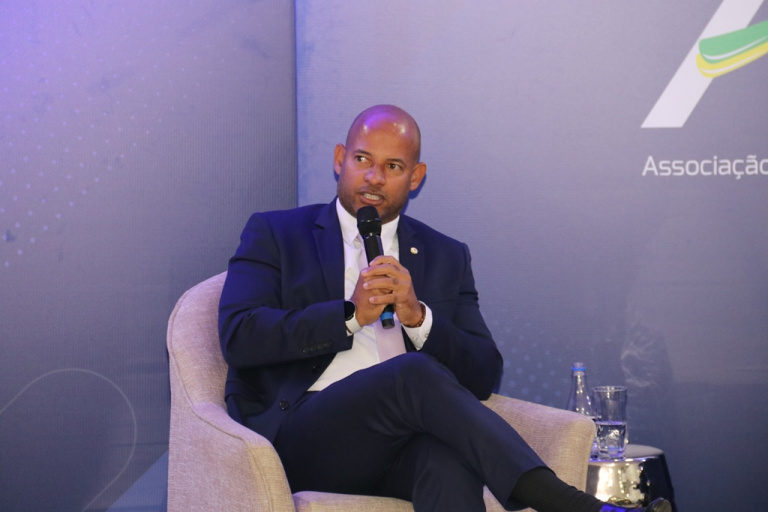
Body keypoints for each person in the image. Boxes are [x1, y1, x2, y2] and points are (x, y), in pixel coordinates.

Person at [218, 105, 671, 512]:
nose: (374, 177)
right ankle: (574, 507)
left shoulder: (445, 256)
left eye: (393, 166)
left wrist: (419, 317)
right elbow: (239, 335)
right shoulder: (278, 233)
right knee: (410, 374)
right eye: (362, 160)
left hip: (397, 445)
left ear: (415, 177)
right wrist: (351, 314)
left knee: (447, 462)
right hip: (303, 437)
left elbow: (482, 373)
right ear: (340, 159)